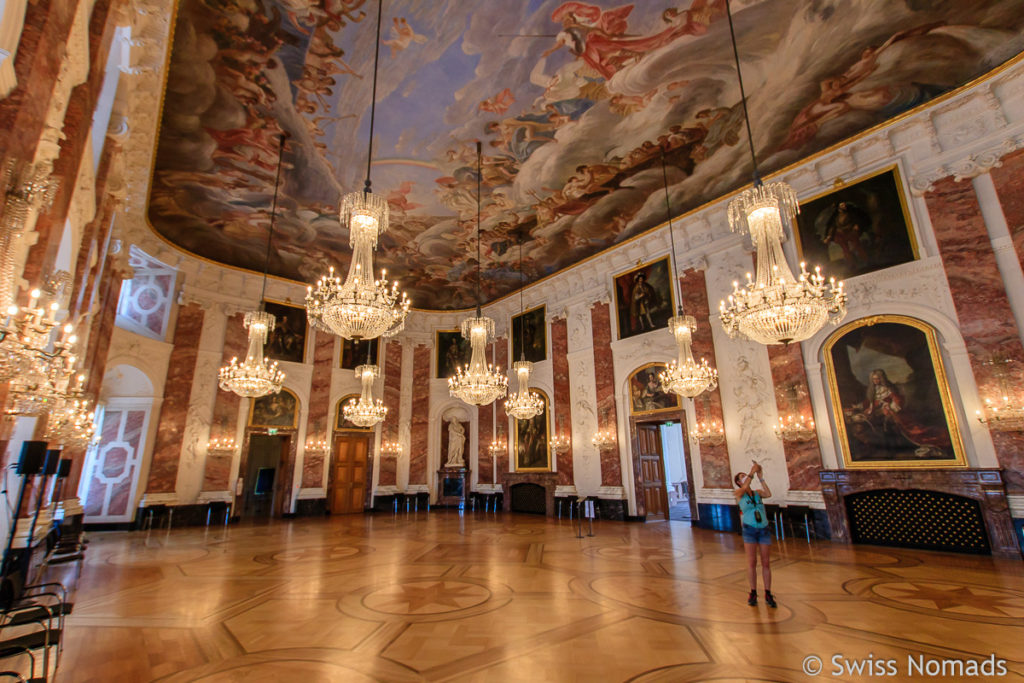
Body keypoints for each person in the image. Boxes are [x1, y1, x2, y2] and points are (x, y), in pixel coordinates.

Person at [734, 462, 776, 608]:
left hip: (763, 528)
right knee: (752, 562)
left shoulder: (757, 493)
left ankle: (768, 592)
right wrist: (751, 472)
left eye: (745, 475)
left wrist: (761, 478)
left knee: (766, 562)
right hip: (749, 529)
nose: (746, 477)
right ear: (739, 482)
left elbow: (769, 494)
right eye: (742, 477)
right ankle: (753, 591)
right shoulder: (738, 494)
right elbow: (745, 488)